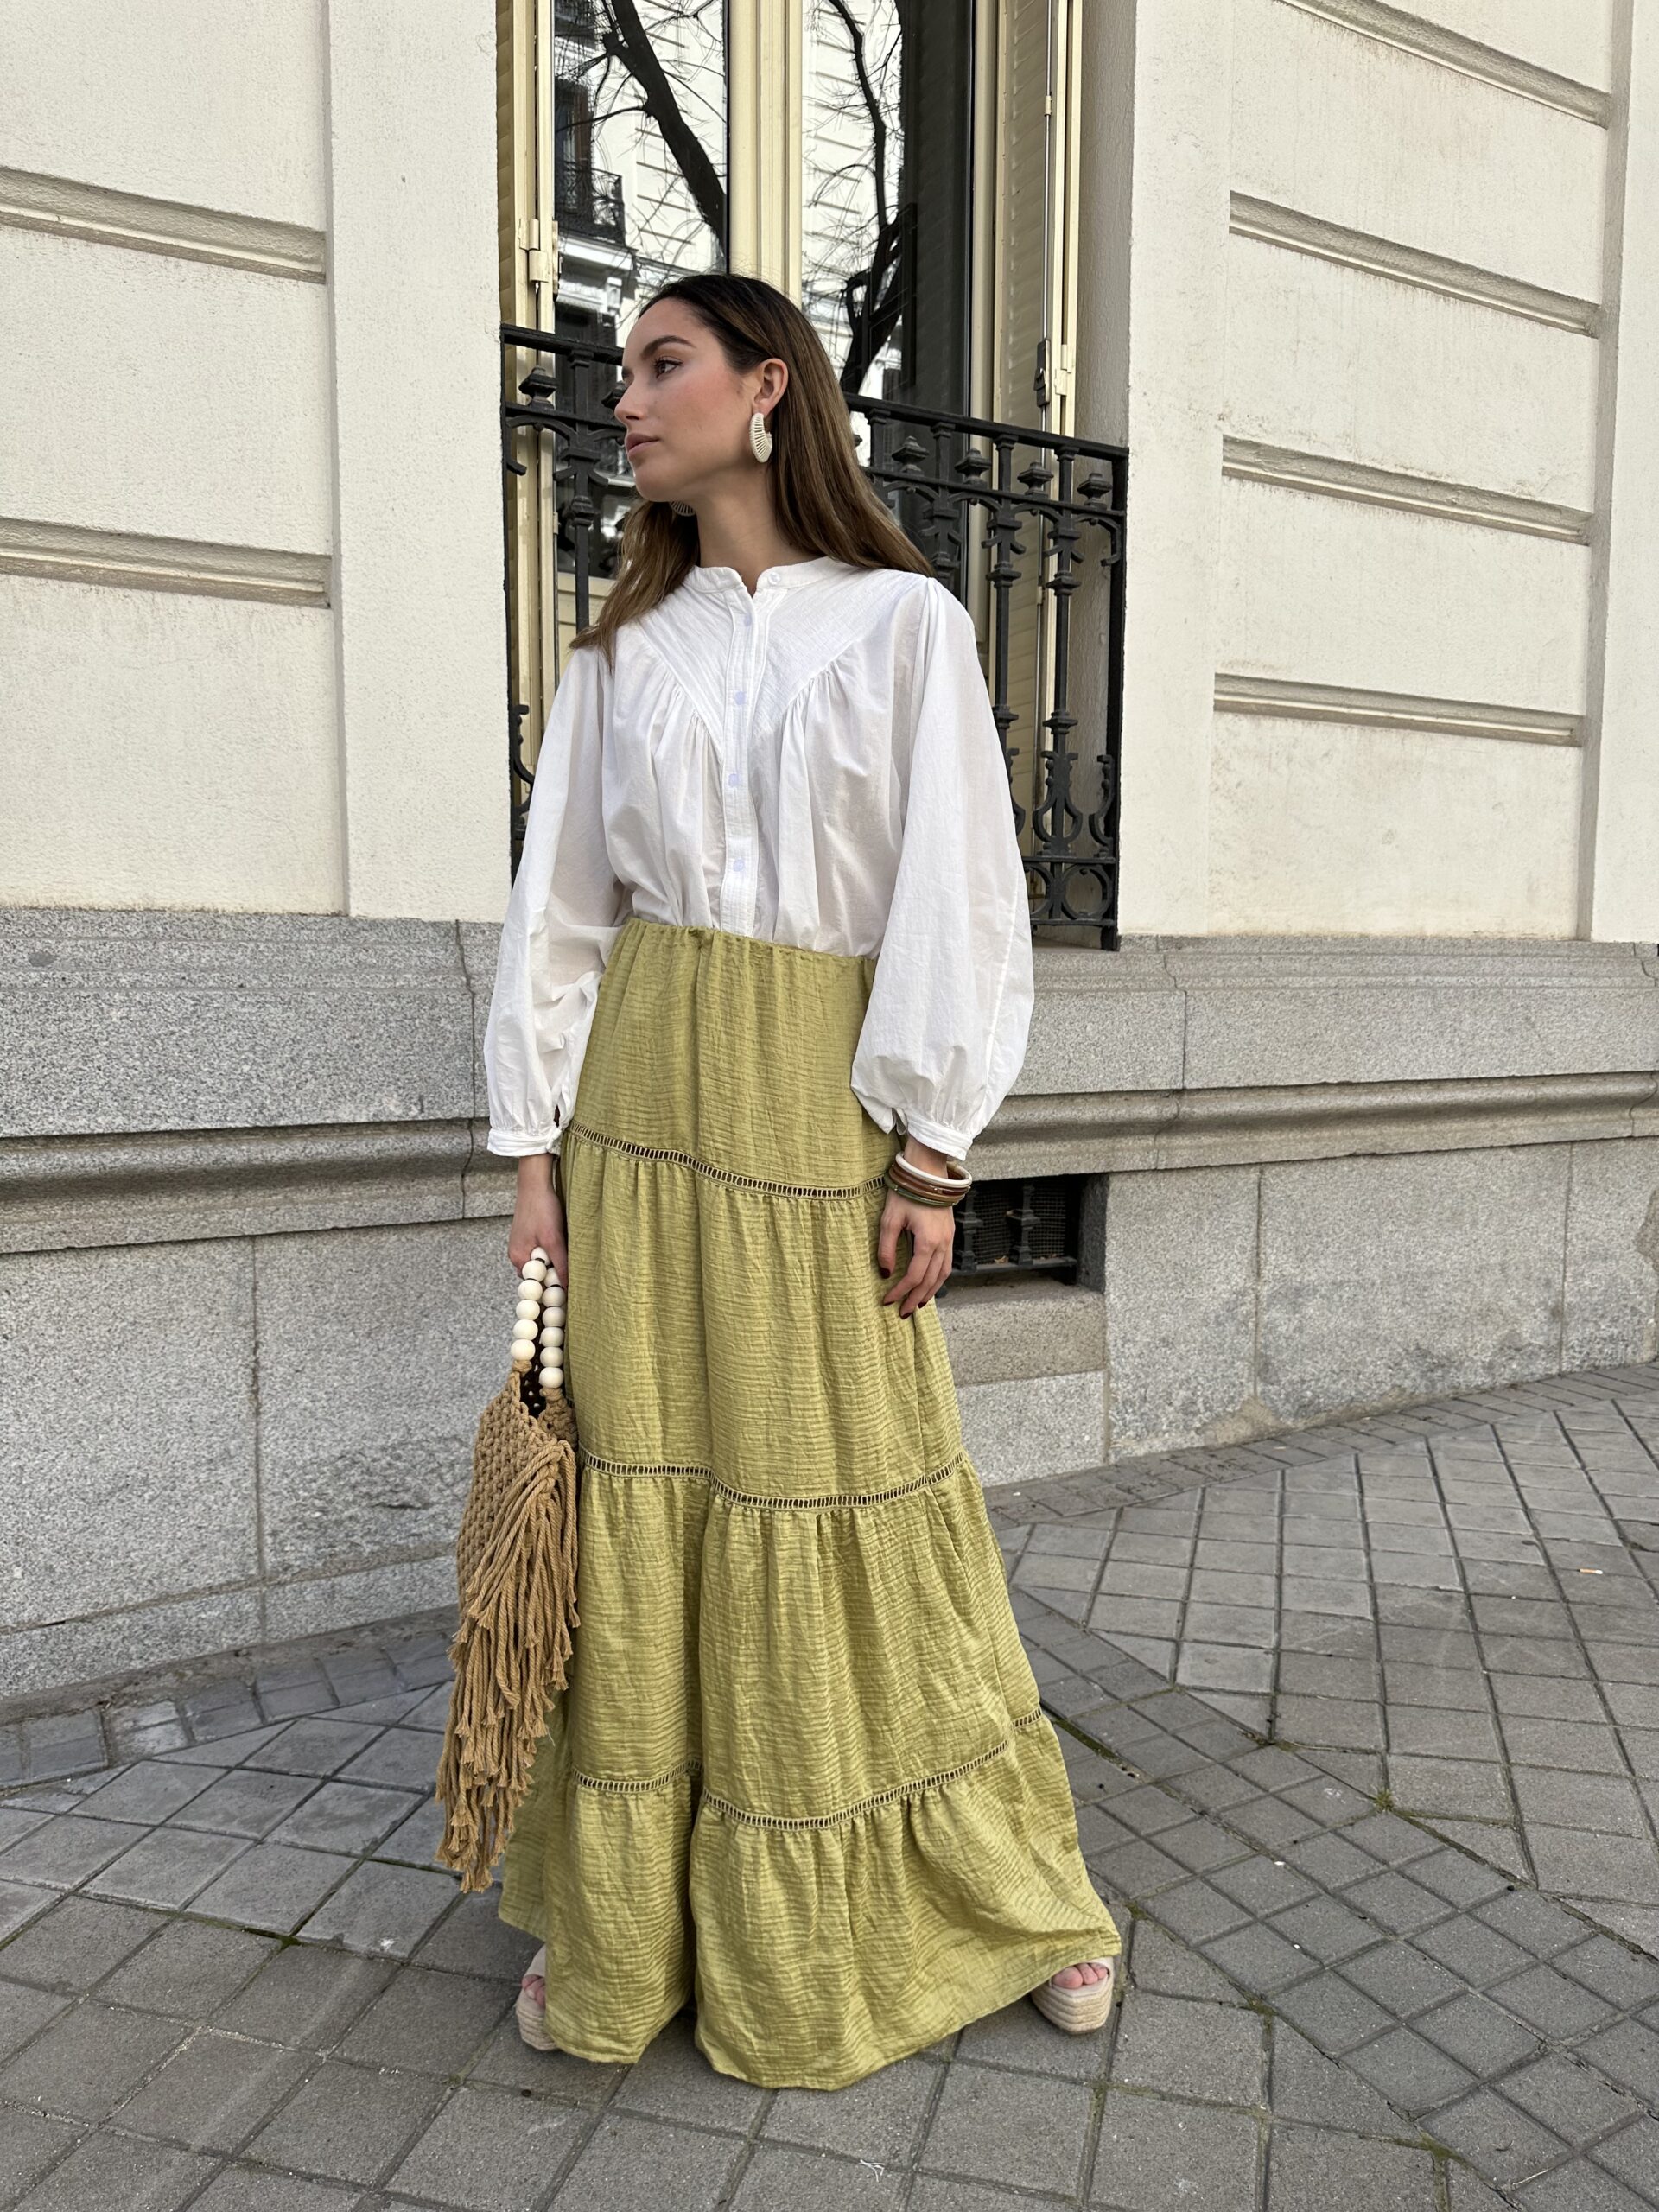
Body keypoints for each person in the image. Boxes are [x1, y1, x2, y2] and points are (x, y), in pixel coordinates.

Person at [481, 270, 1120, 2092]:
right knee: (651, 1498)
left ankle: (998, 1881)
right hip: (639, 1119)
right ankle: (636, 1919)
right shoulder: (618, 655)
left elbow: (960, 893)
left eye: (662, 363)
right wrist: (531, 1153)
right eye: (622, 370)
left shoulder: (905, 623)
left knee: (858, 1489)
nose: (623, 398)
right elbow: (560, 919)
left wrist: (934, 1145)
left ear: (769, 388)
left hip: (822, 1114)